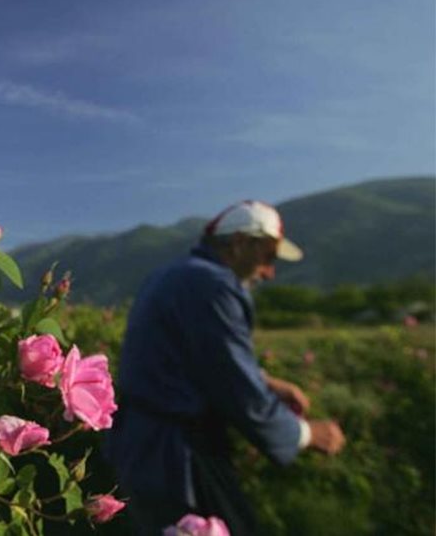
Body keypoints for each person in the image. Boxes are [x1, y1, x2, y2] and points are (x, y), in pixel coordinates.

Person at [106, 200, 345, 535]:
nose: (270, 272)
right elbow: (238, 391)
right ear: (240, 244)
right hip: (178, 456)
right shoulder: (215, 285)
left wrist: (267, 380)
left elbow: (198, 358)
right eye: (268, 258)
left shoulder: (172, 275)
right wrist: (305, 434)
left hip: (140, 445)